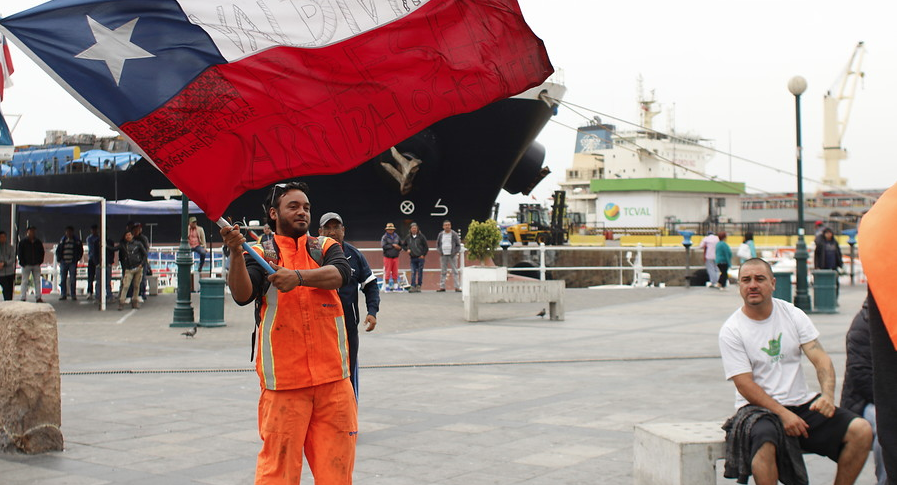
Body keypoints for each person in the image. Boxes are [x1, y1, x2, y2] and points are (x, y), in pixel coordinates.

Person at [220, 181, 356, 483]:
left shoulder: (324, 247)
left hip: (334, 382)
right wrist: (233, 253)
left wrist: (298, 277)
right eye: (293, 206)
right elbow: (242, 294)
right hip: (284, 384)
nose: (302, 212)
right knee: (277, 474)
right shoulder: (258, 253)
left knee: (337, 472)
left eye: (306, 207)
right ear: (274, 213)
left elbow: (341, 275)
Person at [718, 258, 872, 485]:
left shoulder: (792, 314)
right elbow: (744, 385)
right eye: (746, 280)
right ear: (739, 286)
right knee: (764, 442)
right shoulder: (732, 330)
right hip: (759, 410)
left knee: (861, 430)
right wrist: (783, 414)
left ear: (773, 283)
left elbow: (820, 359)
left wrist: (827, 396)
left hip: (802, 404)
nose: (752, 285)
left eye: (759, 279)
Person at [319, 211, 380, 399]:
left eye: (336, 227)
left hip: (347, 327)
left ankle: (350, 421)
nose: (332, 232)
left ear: (343, 230)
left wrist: (372, 311)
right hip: (319, 328)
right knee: (321, 374)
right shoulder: (312, 255)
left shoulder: (354, 255)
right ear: (319, 231)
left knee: (349, 372)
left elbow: (370, 285)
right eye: (327, 228)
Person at [841, 299, 887, 485]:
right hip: (865, 402)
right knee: (889, 429)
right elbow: (861, 377)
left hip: (889, 398)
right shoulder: (864, 323)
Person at [117, 230, 146, 311]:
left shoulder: (138, 244)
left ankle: (135, 301)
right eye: (126, 235)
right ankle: (121, 302)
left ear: (132, 236)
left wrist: (142, 264)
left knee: (137, 286)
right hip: (129, 269)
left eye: (129, 235)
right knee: (126, 285)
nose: (128, 236)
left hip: (138, 267)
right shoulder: (123, 245)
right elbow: (114, 249)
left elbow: (144, 254)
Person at [18, 226, 45, 303]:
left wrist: (40, 261)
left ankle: (38, 297)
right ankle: (23, 297)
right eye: (31, 231)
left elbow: (42, 252)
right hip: (26, 264)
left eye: (33, 231)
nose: (32, 233)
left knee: (37, 281)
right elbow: (20, 253)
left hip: (36, 264)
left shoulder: (38, 242)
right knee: (24, 281)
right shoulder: (23, 242)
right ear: (27, 232)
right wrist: (22, 262)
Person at [56, 226, 83, 301]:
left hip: (72, 262)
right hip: (63, 262)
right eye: (67, 232)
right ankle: (63, 294)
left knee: (73, 279)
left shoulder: (76, 241)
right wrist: (59, 259)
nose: (68, 233)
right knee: (63, 279)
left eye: (70, 232)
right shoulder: (62, 240)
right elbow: (58, 250)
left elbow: (80, 250)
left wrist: (77, 258)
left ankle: (73, 294)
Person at [435, 219, 461, 292]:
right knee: (443, 271)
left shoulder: (454, 234)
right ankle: (442, 286)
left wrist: (455, 252)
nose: (447, 226)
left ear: (450, 226)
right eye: (446, 225)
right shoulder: (441, 234)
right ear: (443, 226)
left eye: (448, 225)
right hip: (443, 255)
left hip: (452, 255)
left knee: (455, 270)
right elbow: (437, 244)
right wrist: (440, 251)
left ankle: (457, 287)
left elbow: (458, 245)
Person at [402, 222, 428, 292]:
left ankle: (419, 285)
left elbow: (426, 247)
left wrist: (423, 255)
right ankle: (413, 286)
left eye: (415, 228)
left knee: (420, 272)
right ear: (410, 229)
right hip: (412, 257)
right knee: (413, 272)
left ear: (417, 229)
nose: (414, 230)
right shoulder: (408, 237)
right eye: (412, 228)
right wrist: (407, 249)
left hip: (420, 258)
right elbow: (403, 245)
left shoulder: (421, 237)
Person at [381, 222, 402, 292]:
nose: (390, 230)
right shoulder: (384, 237)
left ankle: (396, 286)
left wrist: (399, 247)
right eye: (389, 229)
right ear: (386, 230)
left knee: (395, 272)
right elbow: (383, 246)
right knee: (387, 271)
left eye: (391, 229)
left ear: (393, 230)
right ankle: (387, 286)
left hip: (395, 257)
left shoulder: (397, 236)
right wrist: (393, 246)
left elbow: (401, 245)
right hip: (387, 257)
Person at [0, 231, 15, 301]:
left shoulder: (10, 247)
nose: (2, 238)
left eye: (4, 237)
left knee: (9, 290)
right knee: (5, 288)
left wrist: (5, 263)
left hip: (10, 272)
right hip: (1, 273)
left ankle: (9, 302)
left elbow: (13, 259)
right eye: (1, 237)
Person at [86, 225, 100, 300]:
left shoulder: (100, 238)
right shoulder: (89, 239)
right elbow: (92, 248)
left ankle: (99, 292)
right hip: (91, 259)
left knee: (99, 277)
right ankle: (89, 292)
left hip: (98, 259)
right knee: (90, 277)